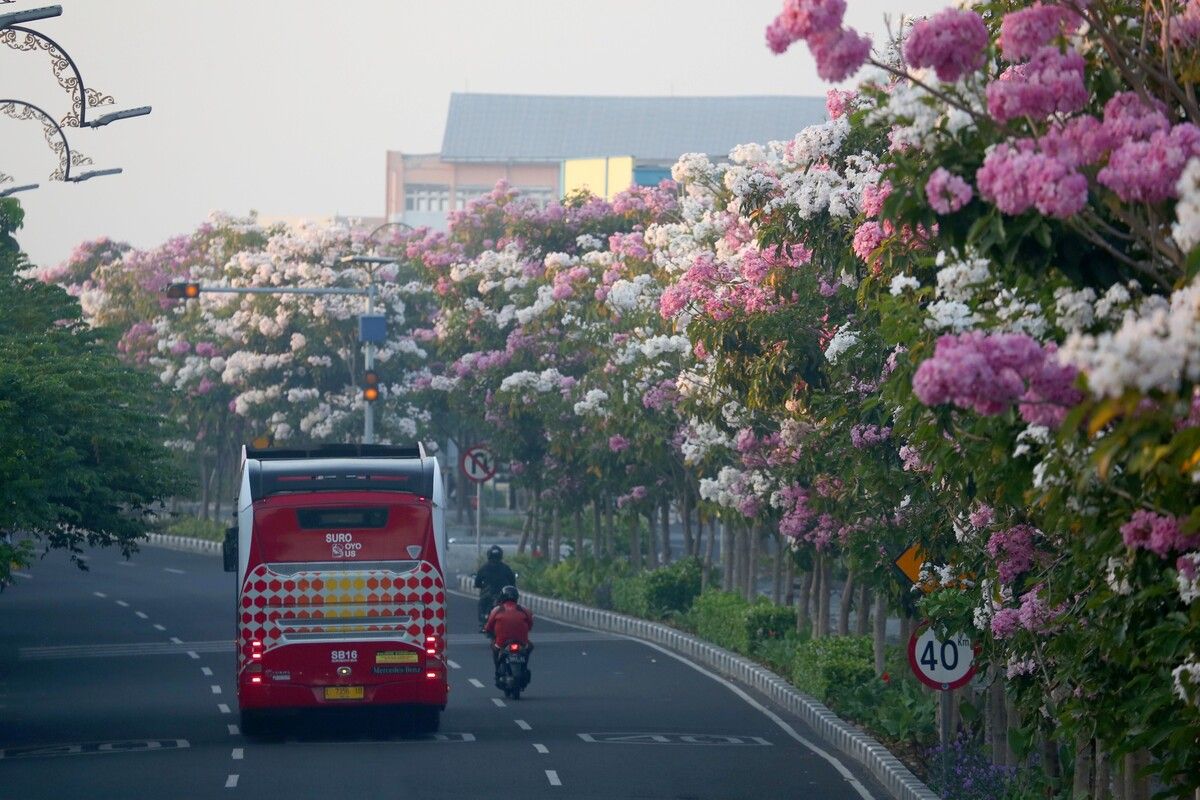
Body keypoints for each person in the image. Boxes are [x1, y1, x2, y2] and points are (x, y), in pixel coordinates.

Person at [484, 585, 533, 687]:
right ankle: (524, 667)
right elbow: (530, 624)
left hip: (502, 642)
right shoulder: (524, 610)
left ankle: (497, 670)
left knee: (495, 649)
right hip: (522, 641)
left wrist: (487, 630)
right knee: (529, 648)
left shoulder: (497, 610)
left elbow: (489, 626)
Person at [473, 545, 515, 627]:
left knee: (482, 603)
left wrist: (480, 586)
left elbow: (477, 582)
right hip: (503, 594)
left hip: (489, 593)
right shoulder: (506, 568)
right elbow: (512, 581)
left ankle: (483, 619)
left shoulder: (484, 568)